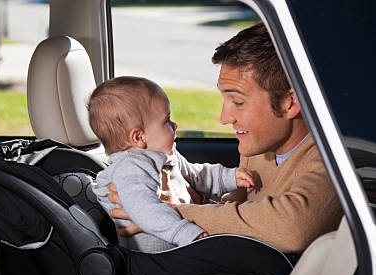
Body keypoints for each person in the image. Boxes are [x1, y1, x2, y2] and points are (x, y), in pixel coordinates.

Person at [109, 23, 342, 254]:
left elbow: (291, 229)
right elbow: (239, 213)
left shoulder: (337, 161)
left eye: (238, 102)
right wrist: (183, 200)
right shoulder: (260, 147)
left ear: (289, 103)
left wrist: (162, 214)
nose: (224, 118)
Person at [89, 76, 255, 253]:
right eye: (166, 121)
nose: (174, 125)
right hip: (161, 259)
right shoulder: (130, 167)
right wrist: (185, 232)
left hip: (181, 246)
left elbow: (197, 176)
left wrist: (229, 177)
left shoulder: (166, 155)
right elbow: (146, 210)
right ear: (139, 137)